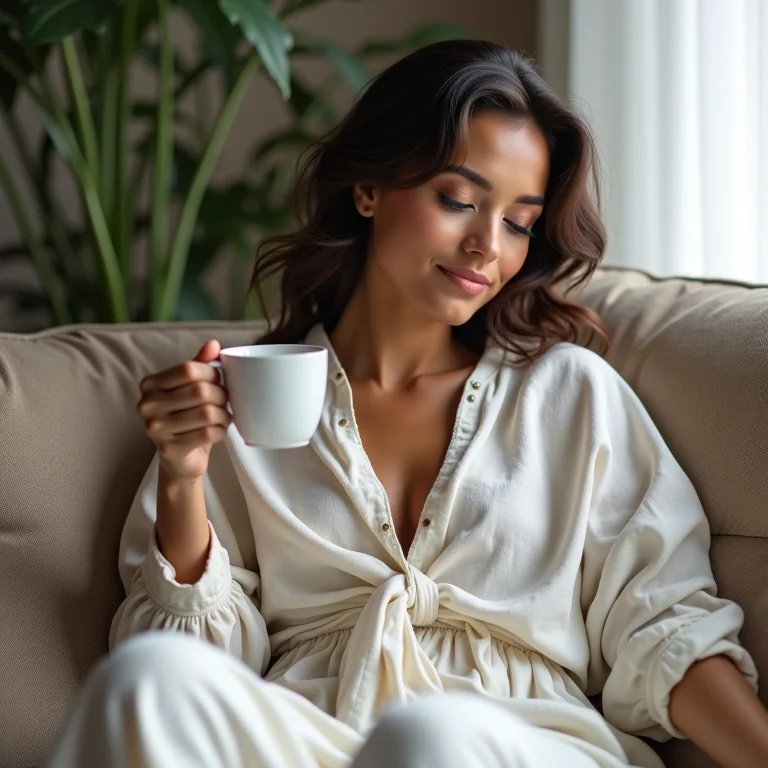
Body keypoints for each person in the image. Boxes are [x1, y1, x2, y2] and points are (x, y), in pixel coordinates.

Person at [48, 40, 766, 768]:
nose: (488, 244)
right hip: (318, 738)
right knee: (146, 679)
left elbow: (665, 629)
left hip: (521, 742)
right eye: (458, 200)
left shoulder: (569, 395)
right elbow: (201, 656)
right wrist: (182, 473)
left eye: (519, 222)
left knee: (429, 738)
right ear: (369, 188)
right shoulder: (247, 404)